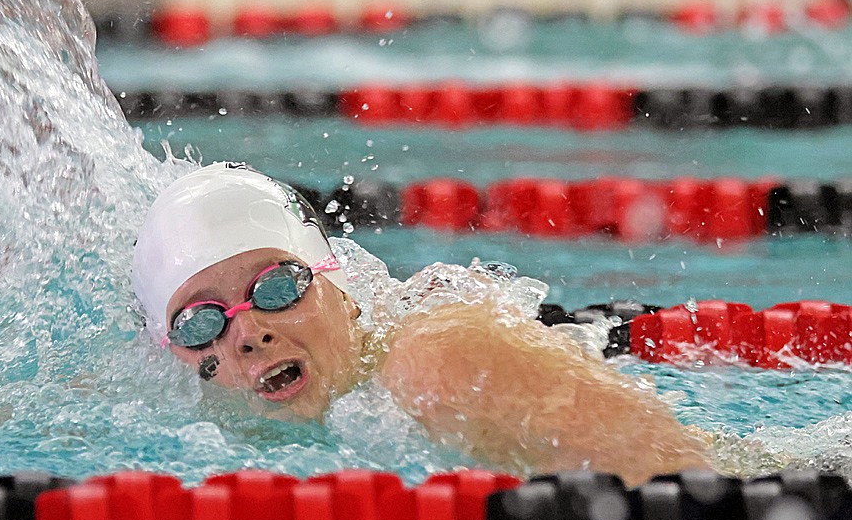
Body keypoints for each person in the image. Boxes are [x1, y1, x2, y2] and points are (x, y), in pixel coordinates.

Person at [133, 162, 711, 486]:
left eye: (277, 287)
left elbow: (686, 490)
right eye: (200, 322)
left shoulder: (438, 360)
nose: (247, 332)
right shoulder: (202, 430)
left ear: (339, 286)